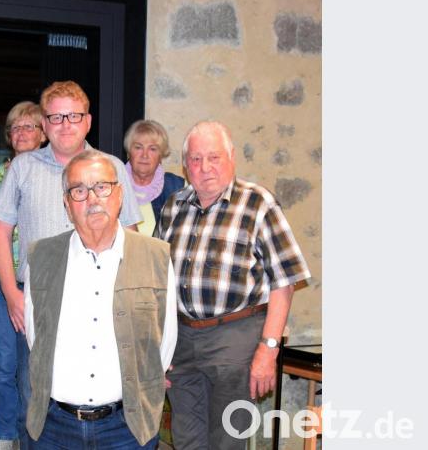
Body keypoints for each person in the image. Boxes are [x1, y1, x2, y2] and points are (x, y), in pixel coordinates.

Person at [0, 80, 143, 448]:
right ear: (44, 123)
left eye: (73, 116)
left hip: (99, 303)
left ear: (87, 121)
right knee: (35, 396)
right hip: (37, 300)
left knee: (94, 392)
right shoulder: (23, 167)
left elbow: (131, 237)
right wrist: (12, 293)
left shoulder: (111, 168)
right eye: (55, 117)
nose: (65, 124)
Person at [155, 121, 311, 449]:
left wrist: (268, 350)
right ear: (186, 165)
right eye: (195, 160)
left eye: (214, 157)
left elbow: (284, 281)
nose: (205, 168)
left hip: (236, 338)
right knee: (186, 440)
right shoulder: (174, 206)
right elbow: (157, 282)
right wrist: (160, 348)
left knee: (227, 439)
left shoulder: (258, 203)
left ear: (231, 158)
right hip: (182, 340)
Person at [22, 150, 177, 449]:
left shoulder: (155, 256)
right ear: (67, 205)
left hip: (127, 428)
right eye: (79, 190)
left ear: (119, 195)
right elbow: (35, 336)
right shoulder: (41, 257)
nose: (92, 198)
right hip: (55, 427)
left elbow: (164, 342)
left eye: (102, 187)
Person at [0, 101, 45, 450]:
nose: (21, 133)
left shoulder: (53, 174)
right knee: (4, 363)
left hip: (38, 282)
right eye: (16, 128)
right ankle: (5, 434)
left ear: (43, 133)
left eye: (29, 127)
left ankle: (29, 432)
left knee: (33, 366)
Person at [123, 119, 185, 236]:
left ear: (160, 155)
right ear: (128, 152)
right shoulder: (112, 185)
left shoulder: (177, 187)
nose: (144, 155)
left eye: (152, 149)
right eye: (138, 147)